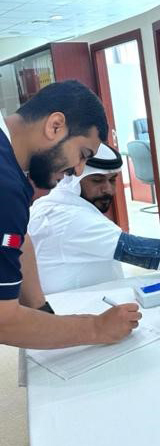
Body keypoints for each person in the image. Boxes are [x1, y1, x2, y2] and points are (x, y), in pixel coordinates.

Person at [0, 80, 140, 348]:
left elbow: (20, 238)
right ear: (55, 126)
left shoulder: (11, 168)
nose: (77, 170)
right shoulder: (5, 186)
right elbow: (3, 320)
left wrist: (41, 310)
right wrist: (97, 329)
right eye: (82, 154)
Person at [28, 143, 160, 294]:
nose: (108, 189)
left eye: (112, 180)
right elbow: (151, 254)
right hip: (76, 307)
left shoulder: (50, 203)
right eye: (97, 180)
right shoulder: (73, 219)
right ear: (72, 180)